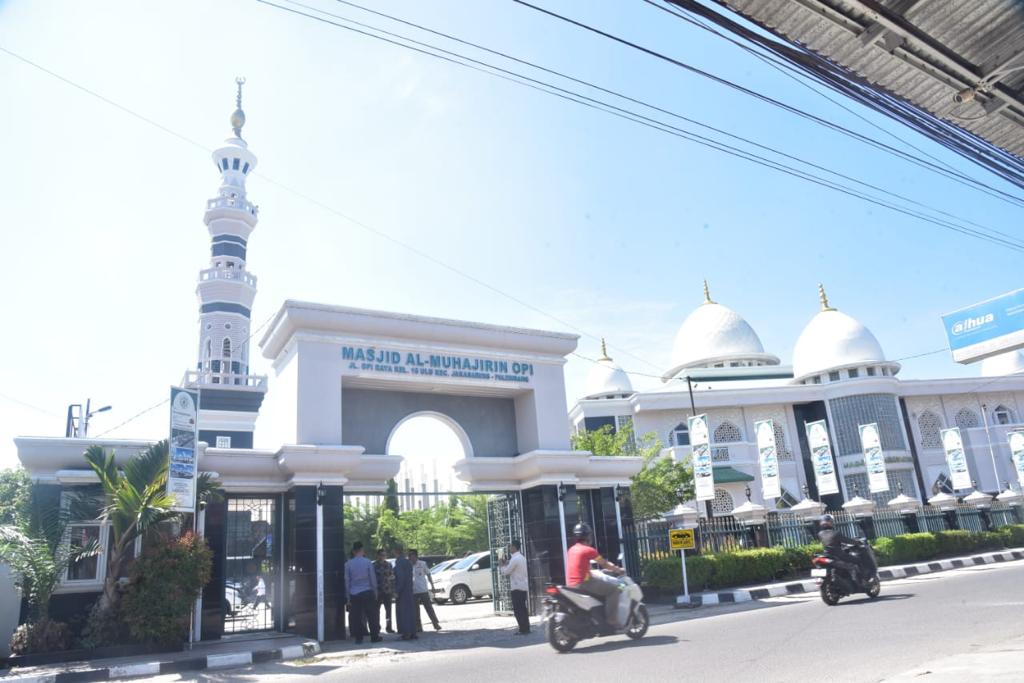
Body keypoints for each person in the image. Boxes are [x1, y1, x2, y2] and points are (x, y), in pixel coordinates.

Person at [566, 522, 624, 627]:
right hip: (585, 583)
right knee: (615, 589)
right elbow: (604, 564)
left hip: (571, 584)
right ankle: (612, 619)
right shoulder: (589, 550)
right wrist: (618, 570)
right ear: (588, 536)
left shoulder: (571, 549)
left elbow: (583, 566)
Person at [344, 542, 381, 644]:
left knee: (356, 616)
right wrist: (375, 592)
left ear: (353, 551)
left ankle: (359, 638)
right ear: (361, 550)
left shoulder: (348, 564)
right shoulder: (368, 562)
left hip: (354, 593)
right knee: (372, 616)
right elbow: (372, 578)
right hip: (367, 592)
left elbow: (347, 581)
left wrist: (348, 597)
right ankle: (374, 636)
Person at [817, 514, 862, 582]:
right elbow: (847, 540)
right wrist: (858, 542)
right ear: (831, 523)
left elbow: (830, 542)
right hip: (838, 555)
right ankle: (856, 580)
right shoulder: (836, 533)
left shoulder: (820, 534)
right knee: (857, 560)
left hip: (827, 555)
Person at [499, 540, 530, 635]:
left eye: (510, 546)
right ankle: (526, 627)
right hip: (523, 585)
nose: (509, 548)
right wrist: (507, 562)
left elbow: (506, 572)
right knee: (523, 609)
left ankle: (522, 629)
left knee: (518, 610)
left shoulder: (515, 559)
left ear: (514, 547)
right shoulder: (521, 557)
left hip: (516, 587)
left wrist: (502, 565)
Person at [409, 550, 442, 632]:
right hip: (413, 590)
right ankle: (418, 626)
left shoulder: (422, 564)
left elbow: (428, 574)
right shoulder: (408, 565)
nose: (411, 558)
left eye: (412, 556)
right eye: (410, 556)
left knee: (429, 608)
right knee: (415, 610)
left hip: (423, 589)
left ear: (416, 556)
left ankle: (435, 623)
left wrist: (432, 586)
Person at [393, 546, 417, 640]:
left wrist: (397, 590)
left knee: (404, 613)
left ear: (396, 552)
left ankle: (406, 633)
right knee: (411, 612)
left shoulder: (399, 562)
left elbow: (401, 578)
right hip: (409, 590)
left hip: (403, 591)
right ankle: (413, 632)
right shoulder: (407, 561)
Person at [373, 549, 396, 634]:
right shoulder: (374, 565)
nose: (383, 557)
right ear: (378, 555)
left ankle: (389, 627)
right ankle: (377, 627)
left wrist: (393, 590)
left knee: (388, 611)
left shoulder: (389, 565)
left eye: (384, 555)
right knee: (376, 611)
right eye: (381, 555)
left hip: (387, 590)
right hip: (377, 591)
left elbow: (392, 577)